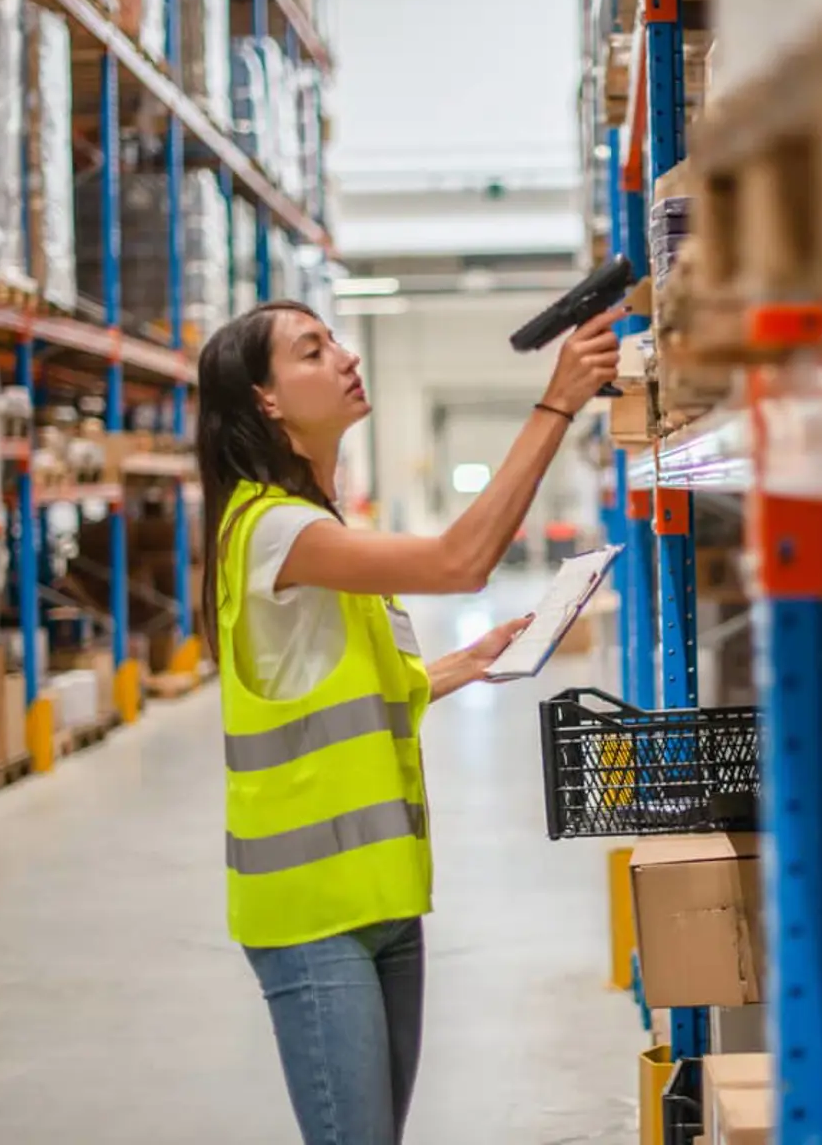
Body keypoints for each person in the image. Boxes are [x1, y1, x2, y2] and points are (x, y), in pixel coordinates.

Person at [194, 298, 623, 1145]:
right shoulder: (272, 527)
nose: (345, 356)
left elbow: (348, 694)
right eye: (312, 351)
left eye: (335, 340)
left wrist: (469, 662)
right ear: (265, 400)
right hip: (314, 915)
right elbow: (460, 562)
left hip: (384, 895)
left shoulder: (316, 523)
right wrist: (557, 404)